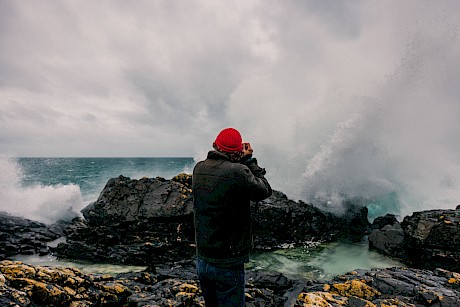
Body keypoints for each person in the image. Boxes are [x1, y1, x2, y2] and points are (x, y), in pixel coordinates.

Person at [192, 127, 272, 306]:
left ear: (215, 146)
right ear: (237, 152)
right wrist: (249, 160)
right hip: (227, 262)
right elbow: (264, 190)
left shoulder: (199, 168)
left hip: (203, 258)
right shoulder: (237, 171)